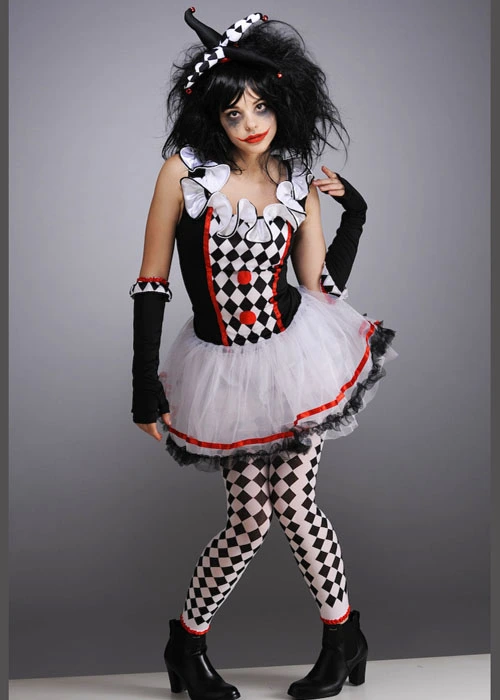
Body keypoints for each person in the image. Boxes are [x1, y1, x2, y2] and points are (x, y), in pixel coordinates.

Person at [130, 8, 398, 700]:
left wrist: (356, 215)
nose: (250, 123)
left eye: (260, 106)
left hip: (292, 358)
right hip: (222, 369)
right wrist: (143, 382)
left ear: (283, 102)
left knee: (297, 507)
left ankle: (341, 638)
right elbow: (153, 281)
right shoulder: (183, 174)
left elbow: (318, 285)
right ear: (211, 118)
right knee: (250, 521)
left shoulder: (295, 176)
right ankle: (187, 644)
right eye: (233, 112)